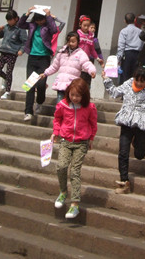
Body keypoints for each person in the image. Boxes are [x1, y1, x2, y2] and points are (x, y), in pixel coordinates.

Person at [52, 78, 98, 219]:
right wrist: (55, 132)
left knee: (75, 172)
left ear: (84, 95)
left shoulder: (89, 107)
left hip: (81, 142)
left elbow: (93, 123)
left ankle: (75, 204)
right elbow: (57, 119)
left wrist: (91, 138)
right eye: (72, 95)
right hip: (66, 140)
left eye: (78, 96)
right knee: (61, 166)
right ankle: (63, 192)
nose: (74, 98)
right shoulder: (63, 105)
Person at [18, 6, 59, 121]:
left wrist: (49, 16)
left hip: (44, 59)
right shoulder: (32, 25)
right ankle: (28, 112)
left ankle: (40, 102)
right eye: (38, 20)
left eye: (41, 20)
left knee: (41, 84)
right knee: (29, 85)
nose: (40, 22)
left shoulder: (47, 27)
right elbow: (20, 25)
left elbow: (55, 30)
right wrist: (27, 13)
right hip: (32, 58)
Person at [39, 32, 97, 102]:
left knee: (70, 104)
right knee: (60, 103)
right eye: (69, 41)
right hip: (61, 83)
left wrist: (92, 71)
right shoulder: (61, 53)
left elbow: (87, 63)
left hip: (72, 85)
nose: (71, 43)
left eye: (73, 41)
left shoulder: (81, 54)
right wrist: (45, 73)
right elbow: (54, 66)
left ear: (78, 42)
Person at [0, 9, 27, 100]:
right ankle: (6, 79)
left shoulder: (20, 28)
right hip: (3, 51)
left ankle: (7, 91)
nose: (9, 22)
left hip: (12, 53)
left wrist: (21, 50)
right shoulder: (6, 27)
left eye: (10, 20)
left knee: (9, 71)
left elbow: (25, 42)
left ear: (16, 19)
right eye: (8, 20)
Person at [117, 12, 142, 85]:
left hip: (127, 55)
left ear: (125, 21)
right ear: (135, 20)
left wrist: (118, 58)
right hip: (137, 55)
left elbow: (121, 46)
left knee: (125, 76)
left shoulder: (123, 31)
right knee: (135, 76)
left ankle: (124, 91)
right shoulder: (140, 31)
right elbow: (143, 44)